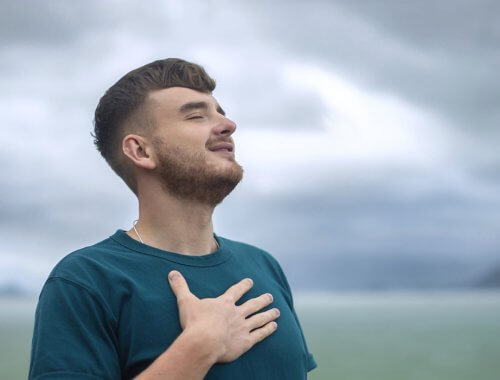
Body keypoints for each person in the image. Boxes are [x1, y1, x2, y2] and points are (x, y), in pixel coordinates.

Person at [29, 58, 317, 379]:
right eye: (196, 115)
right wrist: (198, 347)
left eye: (221, 112)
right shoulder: (85, 281)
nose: (228, 124)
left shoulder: (263, 265)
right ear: (141, 151)